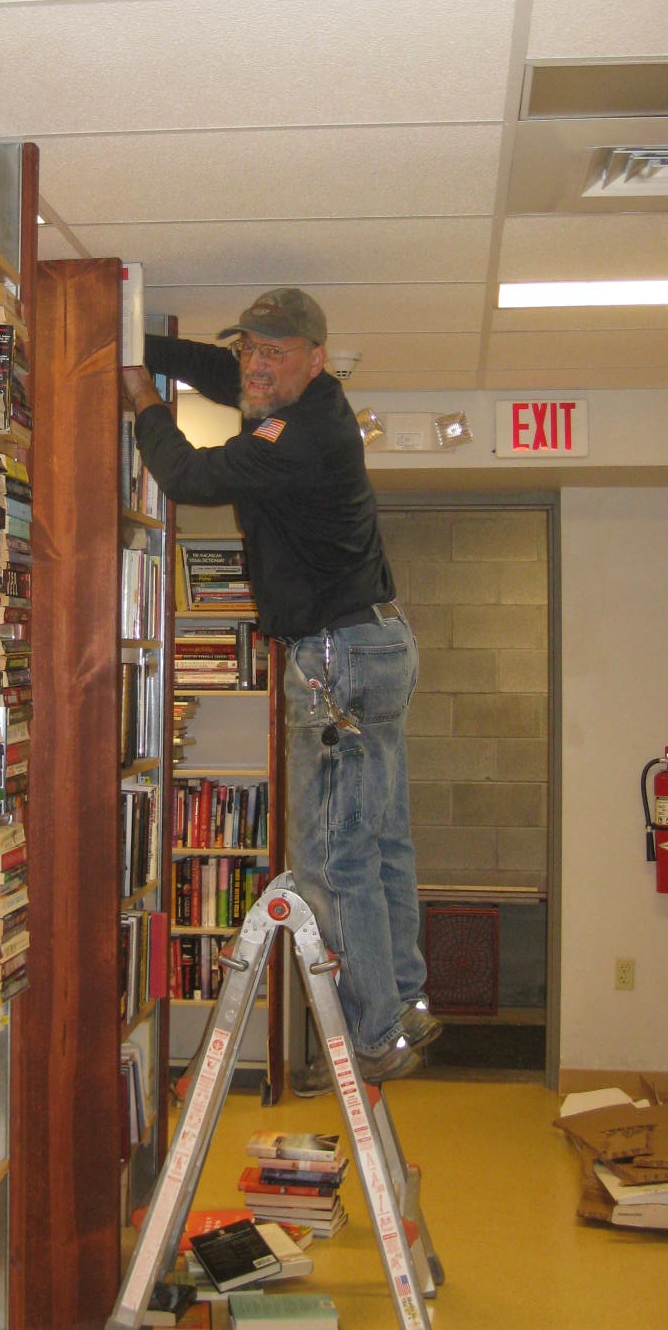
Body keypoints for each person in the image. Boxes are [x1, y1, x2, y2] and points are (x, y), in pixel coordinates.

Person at [121, 287, 438, 1084]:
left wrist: (140, 399)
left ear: (316, 357)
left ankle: (375, 1036)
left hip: (337, 655)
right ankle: (404, 996)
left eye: (274, 353)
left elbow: (188, 475)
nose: (255, 367)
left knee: (332, 860)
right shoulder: (308, 404)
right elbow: (221, 374)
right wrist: (146, 347)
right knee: (383, 837)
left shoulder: (295, 436)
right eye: (249, 351)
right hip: (375, 642)